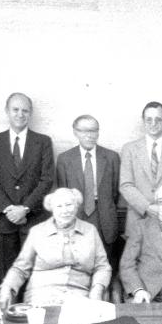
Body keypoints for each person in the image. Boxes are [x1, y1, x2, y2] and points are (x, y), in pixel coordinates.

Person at [0, 92, 54, 282]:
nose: (20, 114)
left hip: (34, 219)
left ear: (30, 113)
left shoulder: (43, 142)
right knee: (6, 277)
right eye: (15, 109)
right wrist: (9, 209)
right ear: (7, 111)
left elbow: (47, 179)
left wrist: (25, 208)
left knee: (34, 277)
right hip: (3, 221)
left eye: (25, 110)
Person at [0, 188, 112, 307]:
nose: (65, 210)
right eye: (59, 206)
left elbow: (102, 266)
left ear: (77, 206)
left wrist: (97, 289)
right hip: (41, 296)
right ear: (52, 209)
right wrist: (7, 288)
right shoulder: (37, 232)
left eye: (69, 205)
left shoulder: (90, 230)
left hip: (78, 295)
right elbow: (20, 269)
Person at [56, 114, 121, 266]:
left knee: (105, 261)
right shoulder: (64, 159)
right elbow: (63, 191)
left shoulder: (111, 157)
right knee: (78, 261)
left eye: (93, 130)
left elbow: (115, 192)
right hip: (76, 215)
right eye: (84, 131)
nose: (89, 135)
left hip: (103, 215)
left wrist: (103, 204)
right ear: (75, 132)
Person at [119, 101, 162, 238]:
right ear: (143, 121)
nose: (153, 124)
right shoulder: (129, 149)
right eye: (148, 119)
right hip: (138, 218)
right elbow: (126, 185)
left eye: (158, 119)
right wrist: (147, 207)